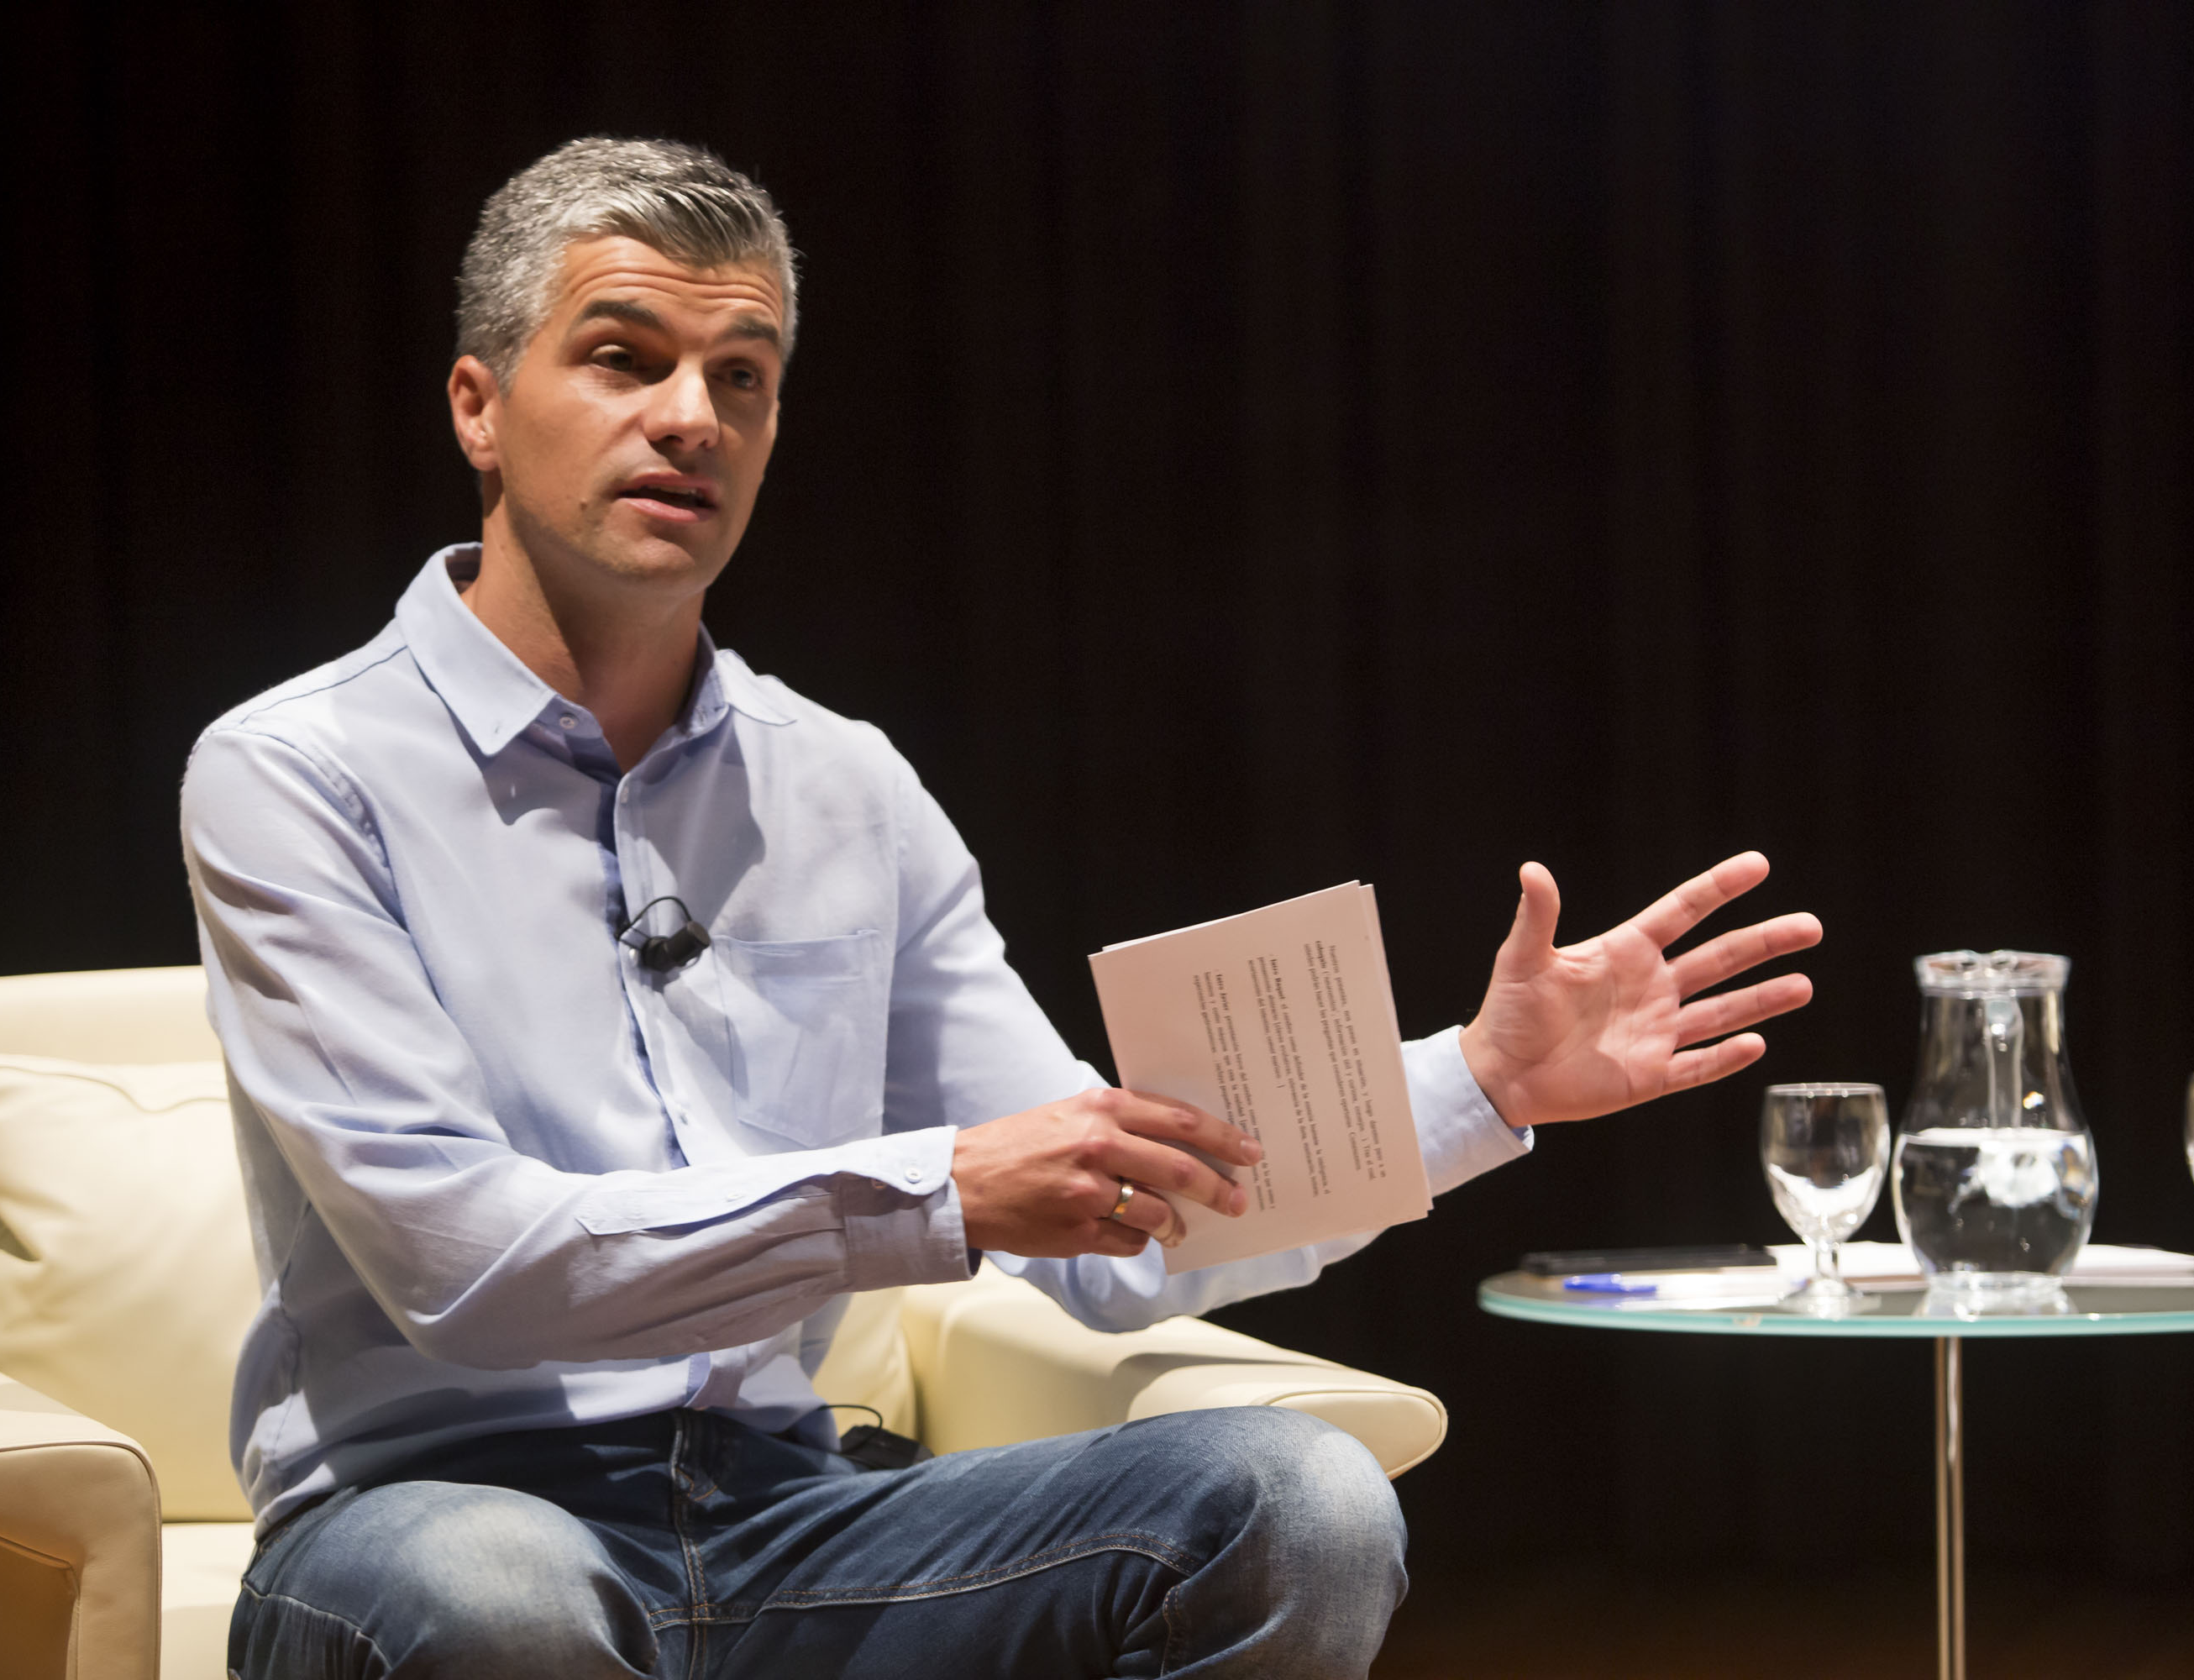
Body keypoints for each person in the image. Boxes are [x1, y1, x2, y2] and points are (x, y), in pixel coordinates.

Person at [182, 137, 1822, 1680]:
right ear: (478, 407)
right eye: (625, 358)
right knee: (502, 1591)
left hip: (785, 1517)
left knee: (1297, 1500)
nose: (691, 417)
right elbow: (469, 1269)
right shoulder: (298, 772)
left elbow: (1114, 1227)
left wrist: (1478, 1077)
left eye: (742, 378)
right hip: (420, 1520)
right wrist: (943, 1192)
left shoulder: (841, 786)